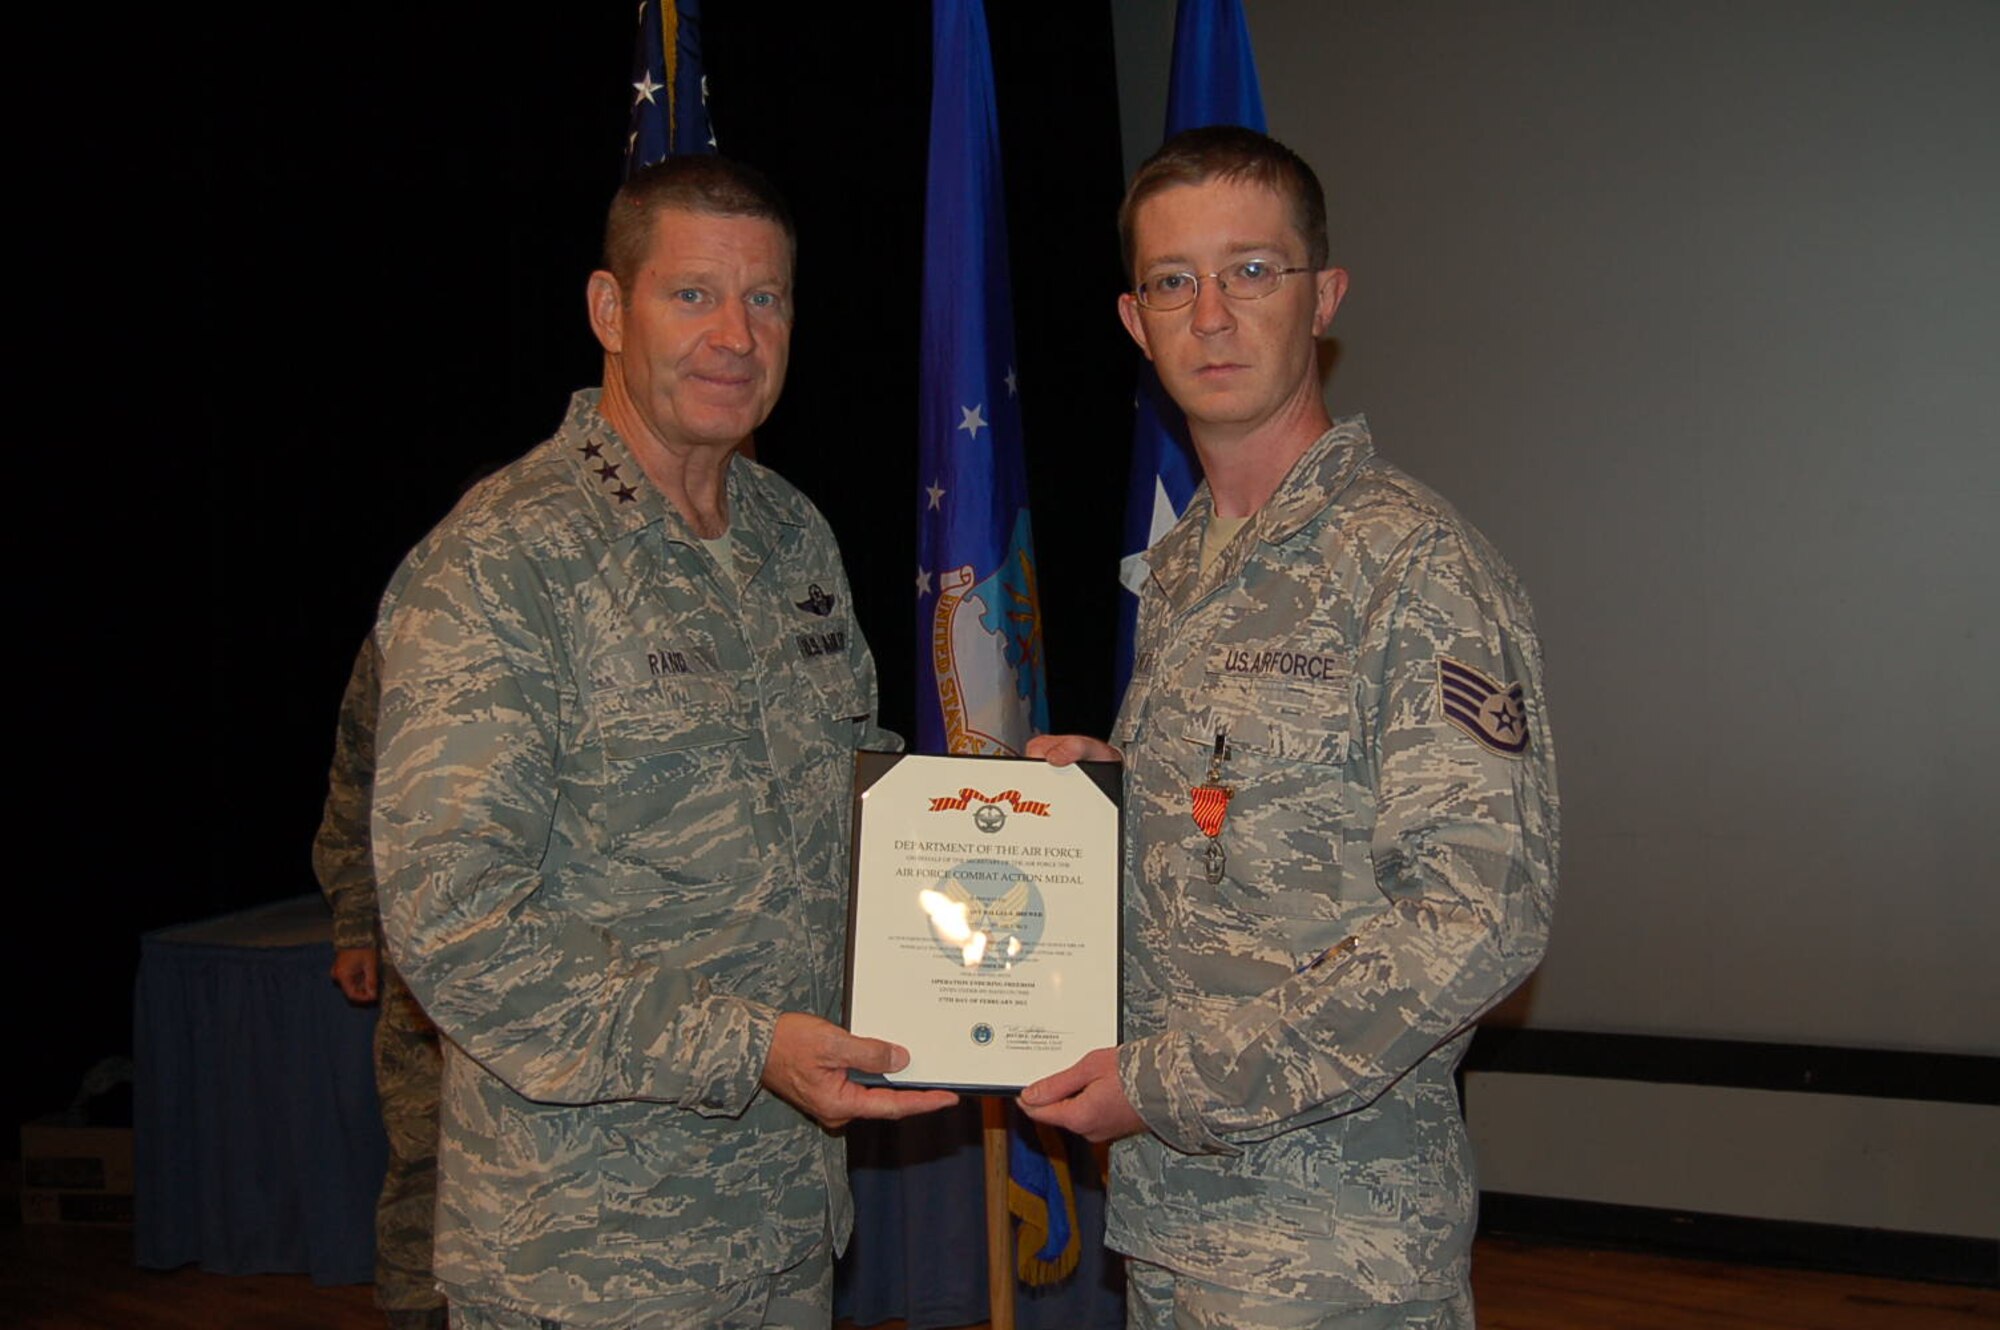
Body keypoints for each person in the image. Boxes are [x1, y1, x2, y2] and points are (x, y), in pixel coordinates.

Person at [370, 155, 957, 1330]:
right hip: (589, 1255)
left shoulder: (791, 535)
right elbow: (455, 923)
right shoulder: (501, 562)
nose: (735, 334)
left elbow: (854, 806)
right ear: (607, 309)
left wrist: (1011, 823)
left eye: (767, 299)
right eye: (692, 294)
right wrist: (745, 1049)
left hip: (781, 1231)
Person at [1019, 126, 1560, 1329]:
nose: (1209, 315)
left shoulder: (1411, 567)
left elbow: (1476, 920)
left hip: (1330, 1254)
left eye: (1250, 271)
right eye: (1173, 281)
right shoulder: (1185, 572)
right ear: (1132, 320)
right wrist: (1116, 798)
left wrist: (1165, 1084)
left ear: (1323, 297)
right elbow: (1254, 826)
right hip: (1175, 1230)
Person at [313, 634, 448, 1330]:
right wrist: (355, 924)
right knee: (425, 1150)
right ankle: (414, 1314)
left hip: (560, 944)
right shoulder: (410, 626)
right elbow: (356, 776)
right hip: (424, 950)